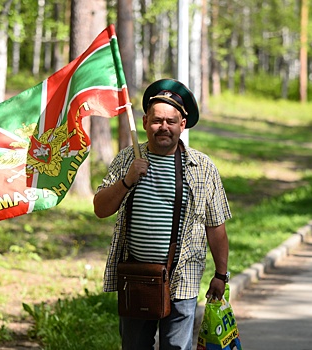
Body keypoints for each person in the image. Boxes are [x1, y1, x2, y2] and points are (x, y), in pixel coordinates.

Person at [93, 78, 232, 349]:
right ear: (145, 122)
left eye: (171, 121)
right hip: (136, 278)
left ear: (183, 124)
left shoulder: (202, 167)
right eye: (157, 120)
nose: (163, 127)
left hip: (183, 281)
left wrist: (221, 274)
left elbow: (216, 226)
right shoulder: (126, 159)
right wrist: (127, 180)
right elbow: (101, 209)